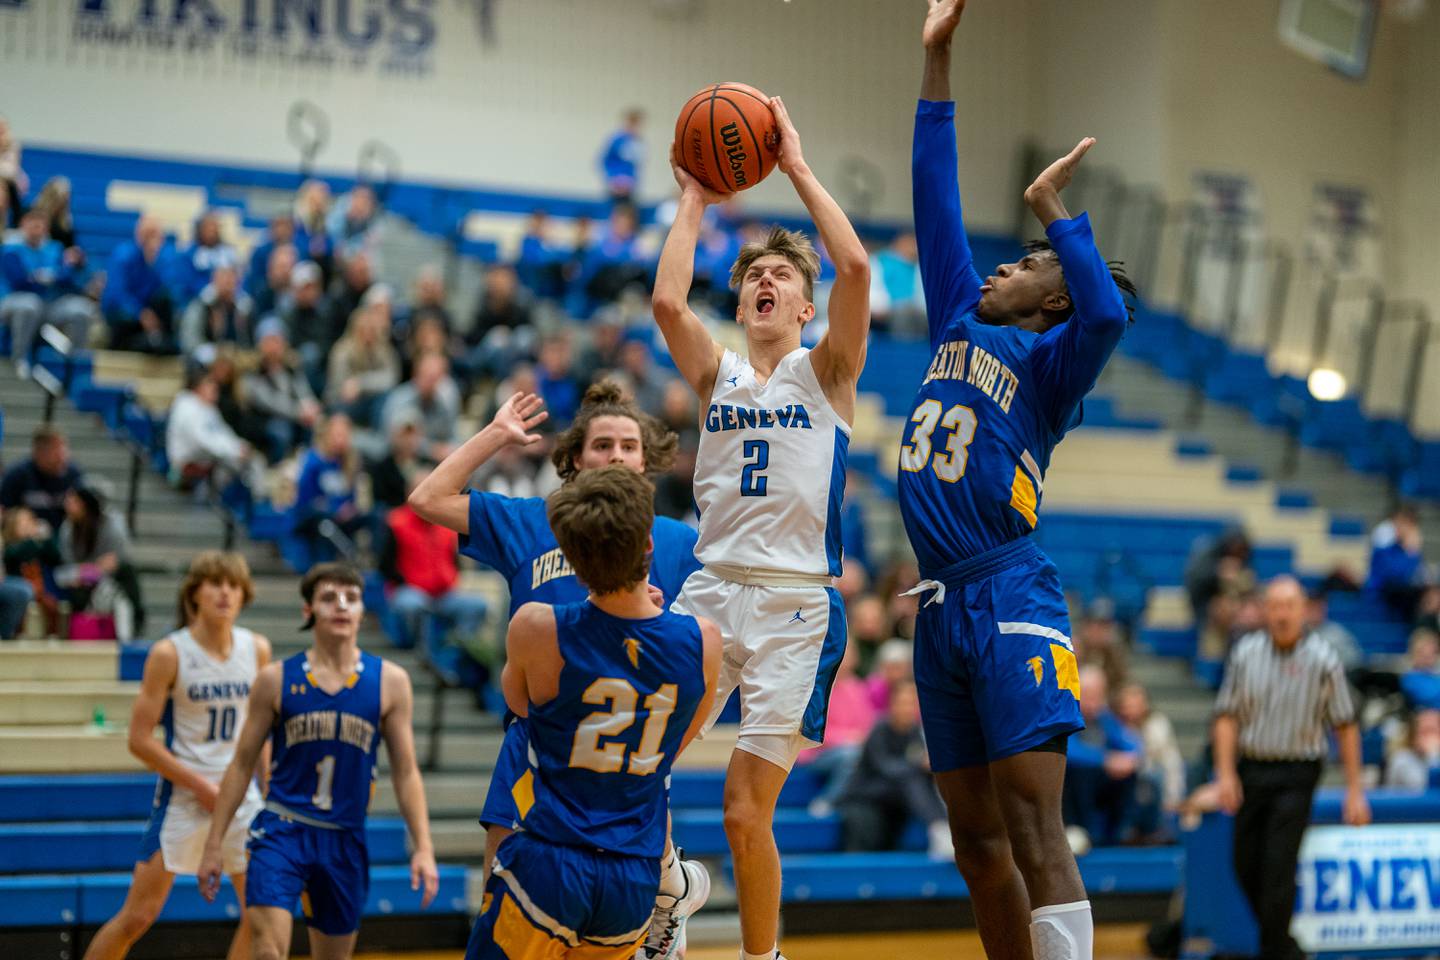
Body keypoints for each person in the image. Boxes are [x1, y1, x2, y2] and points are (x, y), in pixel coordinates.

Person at [898, 4, 1141, 957]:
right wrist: (938, 55)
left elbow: (1111, 316)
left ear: (1054, 301)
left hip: (1009, 591)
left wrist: (1053, 207)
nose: (1003, 265)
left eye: (1029, 262)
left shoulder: (1051, 371)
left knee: (1038, 830)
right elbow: (932, 191)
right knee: (974, 841)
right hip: (939, 602)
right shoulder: (959, 318)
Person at [653, 90, 871, 960]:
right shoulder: (720, 377)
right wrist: (694, 198)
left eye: (783, 277)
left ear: (805, 309)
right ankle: (669, 895)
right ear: (740, 303)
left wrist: (796, 167)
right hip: (710, 590)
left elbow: (854, 269)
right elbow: (670, 307)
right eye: (754, 278)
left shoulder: (830, 374)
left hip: (792, 608)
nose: (767, 282)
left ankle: (761, 957)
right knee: (636, 759)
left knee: (746, 812)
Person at [409, 381, 709, 959]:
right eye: (602, 445)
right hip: (537, 745)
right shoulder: (529, 520)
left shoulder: (678, 541)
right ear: (574, 460)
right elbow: (427, 498)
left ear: (646, 462)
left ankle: (670, 895)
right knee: (503, 900)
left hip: (621, 748)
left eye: (628, 446)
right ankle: (674, 890)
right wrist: (497, 435)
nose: (616, 456)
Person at [464, 467, 720, 959]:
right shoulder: (702, 641)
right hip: (633, 875)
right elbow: (680, 737)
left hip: (552, 859)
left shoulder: (537, 627)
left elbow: (520, 706)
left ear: (576, 567)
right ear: (649, 545)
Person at [198, 562, 439, 959]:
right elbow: (241, 764)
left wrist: (424, 847)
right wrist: (213, 844)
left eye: (352, 598)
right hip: (282, 830)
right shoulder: (275, 679)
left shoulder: (391, 681)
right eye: (329, 598)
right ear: (307, 611)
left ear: (363, 611)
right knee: (267, 952)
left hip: (345, 836)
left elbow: (406, 770)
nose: (342, 606)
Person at [83, 552, 270, 960]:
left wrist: (271, 792)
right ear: (194, 593)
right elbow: (139, 740)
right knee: (137, 917)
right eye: (215, 583)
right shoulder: (170, 653)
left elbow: (260, 731)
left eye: (234, 585)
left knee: (260, 918)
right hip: (185, 797)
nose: (225, 592)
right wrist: (201, 786)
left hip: (242, 798)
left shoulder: (256, 649)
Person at [1214, 575, 1371, 960]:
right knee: (1243, 863)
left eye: (1290, 605)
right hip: (1252, 768)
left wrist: (1355, 790)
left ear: (1304, 610)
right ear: (1265, 610)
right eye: (1276, 605)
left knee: (1278, 867)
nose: (1283, 613)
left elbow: (1346, 725)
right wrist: (1225, 774)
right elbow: (1226, 717)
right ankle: (1285, 947)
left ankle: (1274, 952)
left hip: (1298, 773)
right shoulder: (1245, 653)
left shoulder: (1325, 659)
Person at [378, 471, 490, 658]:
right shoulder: (395, 522)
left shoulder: (446, 522)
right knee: (414, 606)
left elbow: (454, 562)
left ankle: (453, 652)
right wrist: (405, 583)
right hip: (410, 592)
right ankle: (418, 656)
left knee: (477, 606)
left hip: (443, 595)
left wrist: (450, 580)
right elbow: (385, 566)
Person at [836, 678, 950, 856]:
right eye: (902, 702)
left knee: (922, 777)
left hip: (895, 797)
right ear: (891, 704)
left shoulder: (914, 732)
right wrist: (919, 764)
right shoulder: (879, 729)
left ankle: (942, 826)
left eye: (911, 703)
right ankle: (938, 826)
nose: (907, 708)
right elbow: (885, 767)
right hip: (867, 793)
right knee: (912, 777)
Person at [1, 209, 97, 370]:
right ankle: (18, 359)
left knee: (82, 309)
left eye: (40, 224)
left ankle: (74, 364)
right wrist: (48, 278)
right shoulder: (11, 249)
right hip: (14, 302)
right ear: (23, 224)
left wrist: (40, 278)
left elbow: (66, 277)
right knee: (30, 304)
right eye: (33, 223)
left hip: (48, 303)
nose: (37, 228)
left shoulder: (55, 248)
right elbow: (18, 281)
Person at [1061, 666, 1142, 847]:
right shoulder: (1066, 714)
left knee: (1129, 774)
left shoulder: (1105, 718)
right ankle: (1084, 833)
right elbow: (1069, 751)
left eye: (1097, 695)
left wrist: (1128, 760)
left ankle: (1120, 833)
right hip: (1072, 783)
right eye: (1088, 694)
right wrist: (1105, 760)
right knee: (1084, 772)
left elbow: (1129, 743)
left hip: (1103, 780)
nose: (1092, 701)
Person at [57, 485, 145, 641]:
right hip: (81, 579)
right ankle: (79, 630)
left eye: (73, 501)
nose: (67, 505)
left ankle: (135, 625)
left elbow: (120, 556)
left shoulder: (111, 525)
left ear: (85, 504)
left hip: (109, 575)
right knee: (72, 584)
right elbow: (66, 567)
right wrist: (86, 570)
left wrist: (102, 567)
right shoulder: (67, 529)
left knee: (127, 573)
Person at [243, 316, 321, 463]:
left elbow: (303, 390)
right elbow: (270, 402)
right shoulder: (253, 371)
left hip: (294, 415)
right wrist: (299, 412)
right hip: (265, 421)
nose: (274, 347)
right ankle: (276, 465)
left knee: (314, 424)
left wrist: (310, 406)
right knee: (281, 431)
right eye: (269, 341)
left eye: (277, 341)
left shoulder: (291, 366)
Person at [102, 215, 175, 354]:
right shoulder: (123, 255)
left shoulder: (158, 260)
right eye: (152, 235)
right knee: (125, 317)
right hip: (121, 313)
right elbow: (117, 294)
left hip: (144, 312)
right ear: (141, 236)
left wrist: (152, 261)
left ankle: (159, 342)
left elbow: (162, 288)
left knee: (166, 301)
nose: (157, 242)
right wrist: (141, 314)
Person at [0, 425, 82, 532]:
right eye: (57, 454)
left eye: (64, 452)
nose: (63, 459)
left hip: (62, 539)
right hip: (26, 541)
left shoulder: (73, 475)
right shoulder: (17, 476)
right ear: (39, 453)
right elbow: (5, 511)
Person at [179, 265, 253, 355]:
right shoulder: (201, 307)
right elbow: (190, 339)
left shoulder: (245, 308)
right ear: (214, 281)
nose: (227, 282)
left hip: (238, 357)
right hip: (208, 359)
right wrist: (210, 352)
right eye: (223, 278)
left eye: (230, 278)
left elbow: (250, 339)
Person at [1385, 708, 1440, 790]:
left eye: (1432, 731)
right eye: (1423, 732)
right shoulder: (1402, 759)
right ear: (1414, 735)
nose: (1429, 737)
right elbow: (1421, 788)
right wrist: (1432, 755)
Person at [599, 108, 646, 204]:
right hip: (617, 185)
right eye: (632, 124)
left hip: (630, 186)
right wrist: (612, 179)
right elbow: (605, 161)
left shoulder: (638, 142)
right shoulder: (617, 140)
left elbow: (636, 165)